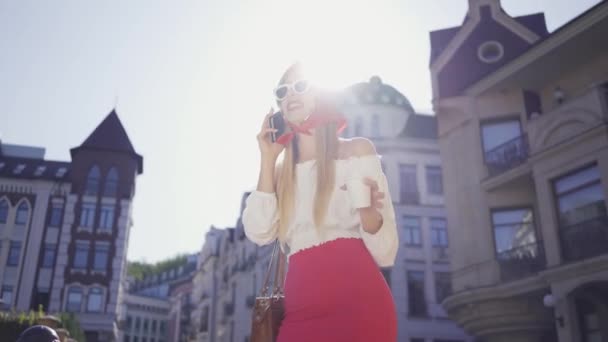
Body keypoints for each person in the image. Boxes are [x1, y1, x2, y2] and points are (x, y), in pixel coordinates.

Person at [243, 63, 398, 342]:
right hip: (299, 313)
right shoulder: (279, 172)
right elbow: (259, 231)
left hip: (360, 307)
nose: (290, 94)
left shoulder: (357, 151)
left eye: (301, 86)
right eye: (283, 90)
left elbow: (386, 253)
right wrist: (267, 159)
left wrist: (368, 214)